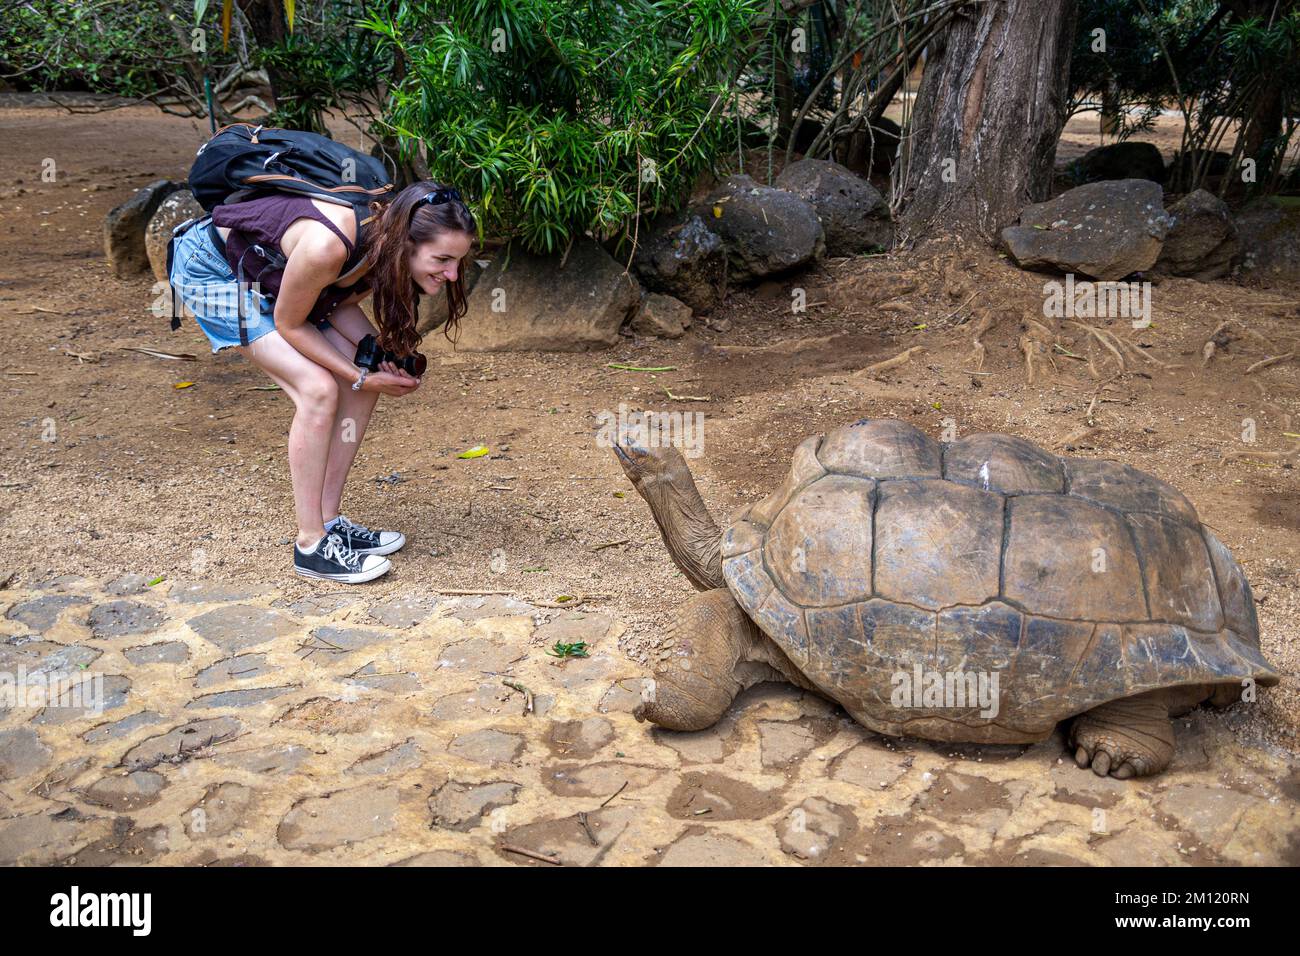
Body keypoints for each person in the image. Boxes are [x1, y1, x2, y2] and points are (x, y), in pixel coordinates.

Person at [168, 182, 476, 583]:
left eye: (458, 261)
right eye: (443, 259)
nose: (453, 274)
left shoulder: (381, 243)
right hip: (213, 270)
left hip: (272, 276)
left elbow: (335, 302)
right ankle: (311, 544)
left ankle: (329, 521)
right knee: (318, 389)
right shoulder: (327, 247)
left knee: (364, 382)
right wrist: (359, 374)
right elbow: (290, 324)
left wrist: (376, 360)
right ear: (408, 243)